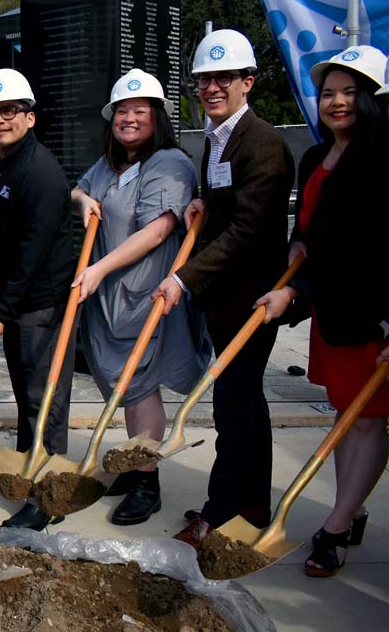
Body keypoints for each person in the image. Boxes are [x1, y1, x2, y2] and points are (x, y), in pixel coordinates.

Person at [152, 29, 295, 548]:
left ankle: (221, 512)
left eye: (223, 78)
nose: (212, 88)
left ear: (247, 82)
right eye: (204, 79)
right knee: (242, 405)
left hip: (251, 300)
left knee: (235, 407)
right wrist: (204, 209)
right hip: (224, 300)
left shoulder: (264, 144)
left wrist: (182, 278)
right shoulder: (215, 139)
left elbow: (248, 231)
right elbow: (227, 212)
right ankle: (249, 506)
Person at [256, 46, 389, 577]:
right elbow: (311, 229)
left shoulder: (382, 156)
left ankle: (333, 527)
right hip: (330, 310)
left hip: (372, 311)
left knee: (368, 422)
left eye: (349, 92)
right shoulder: (316, 156)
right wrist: (296, 247)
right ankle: (351, 508)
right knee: (346, 415)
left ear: (372, 99)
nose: (336, 102)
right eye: (328, 92)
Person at [70, 70, 210, 526]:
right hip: (109, 293)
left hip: (146, 291)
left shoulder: (168, 163)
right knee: (123, 386)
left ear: (157, 116)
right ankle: (134, 465)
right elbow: (81, 187)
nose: (129, 119)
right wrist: (80, 199)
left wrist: (98, 269)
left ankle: (147, 481)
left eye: (139, 110)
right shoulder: (112, 163)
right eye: (121, 111)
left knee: (141, 385)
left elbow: (158, 230)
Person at [0, 68, 77, 531]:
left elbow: (33, 252)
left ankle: (49, 495)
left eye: (9, 111)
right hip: (19, 294)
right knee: (24, 392)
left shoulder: (39, 171)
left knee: (45, 398)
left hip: (42, 302)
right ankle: (24, 467)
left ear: (30, 117)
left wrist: (2, 309)